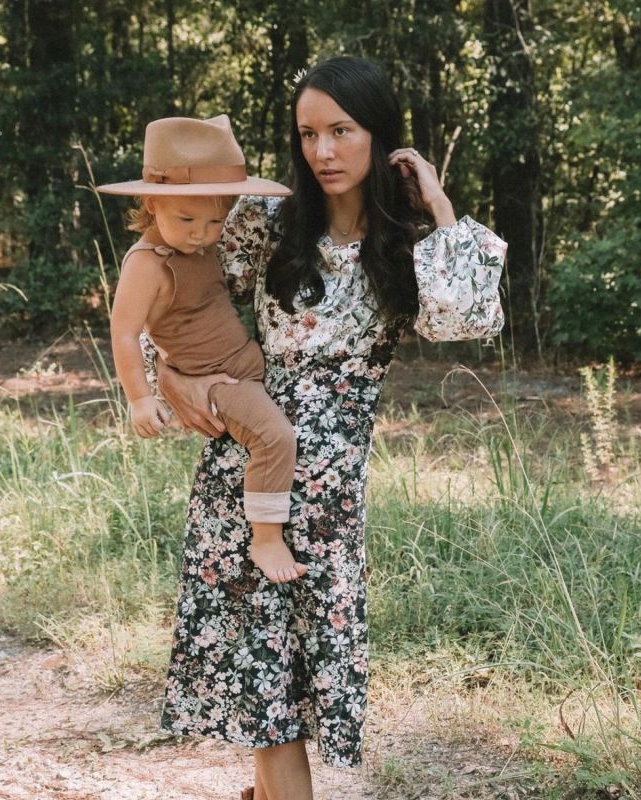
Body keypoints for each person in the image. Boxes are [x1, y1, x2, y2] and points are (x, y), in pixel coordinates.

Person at [148, 58, 507, 800]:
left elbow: (465, 322)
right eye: (309, 133)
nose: (324, 151)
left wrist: (438, 204)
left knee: (297, 680)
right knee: (263, 687)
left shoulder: (406, 243)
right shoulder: (272, 223)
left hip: (333, 493)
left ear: (379, 137)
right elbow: (172, 291)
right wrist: (168, 376)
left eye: (342, 130)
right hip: (246, 473)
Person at [98, 115, 308, 585]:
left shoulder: (200, 247)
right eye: (187, 219)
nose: (200, 233)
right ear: (152, 203)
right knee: (276, 438)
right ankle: (267, 537)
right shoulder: (147, 264)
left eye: (215, 221)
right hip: (219, 382)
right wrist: (139, 398)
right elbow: (125, 332)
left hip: (244, 363)